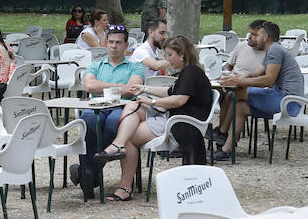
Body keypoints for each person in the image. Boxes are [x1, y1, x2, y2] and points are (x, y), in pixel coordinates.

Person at [95, 36, 213, 201]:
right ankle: (118, 145)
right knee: (132, 105)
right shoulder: (190, 71)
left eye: (169, 54)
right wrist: (143, 89)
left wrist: (152, 101)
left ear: (182, 54)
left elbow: (179, 100)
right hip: (173, 115)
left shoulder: (191, 73)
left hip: (181, 123)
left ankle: (124, 185)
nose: (166, 59)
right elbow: (171, 92)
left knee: (130, 137)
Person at [210, 20, 303, 162]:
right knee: (239, 107)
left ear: (265, 37)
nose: (251, 37)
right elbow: (257, 73)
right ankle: (226, 150)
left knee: (235, 93)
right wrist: (239, 77)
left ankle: (221, 132)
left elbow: (268, 80)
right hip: (285, 100)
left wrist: (239, 82)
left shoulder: (275, 50)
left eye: (256, 35)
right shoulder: (272, 50)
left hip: (287, 102)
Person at [69, 26, 145, 189]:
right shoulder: (95, 65)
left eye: (118, 42)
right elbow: (89, 86)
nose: (113, 46)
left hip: (123, 108)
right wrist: (118, 87)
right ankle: (90, 175)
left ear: (126, 45)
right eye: (110, 42)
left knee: (113, 124)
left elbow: (132, 88)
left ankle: (86, 172)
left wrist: (102, 86)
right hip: (96, 106)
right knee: (88, 122)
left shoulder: (135, 67)